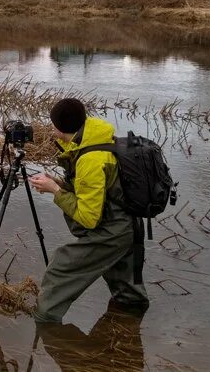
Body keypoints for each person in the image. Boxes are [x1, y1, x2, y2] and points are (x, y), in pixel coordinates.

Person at [28, 98, 149, 323]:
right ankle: (127, 340)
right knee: (128, 297)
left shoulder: (91, 159)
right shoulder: (92, 139)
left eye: (53, 124)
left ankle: (44, 325)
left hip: (113, 231)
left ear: (61, 127)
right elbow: (99, 192)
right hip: (128, 225)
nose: (51, 128)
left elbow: (89, 218)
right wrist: (59, 184)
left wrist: (55, 191)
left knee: (61, 268)